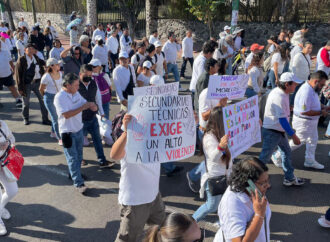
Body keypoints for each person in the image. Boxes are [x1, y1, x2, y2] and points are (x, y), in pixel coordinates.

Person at [110, 114, 166, 242]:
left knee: (162, 230)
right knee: (128, 239)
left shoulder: (155, 138)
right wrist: (126, 132)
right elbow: (114, 154)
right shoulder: (130, 142)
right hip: (135, 203)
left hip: (154, 196)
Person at [273, 71, 329, 170]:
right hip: (304, 122)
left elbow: (315, 102)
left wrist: (324, 107)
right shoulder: (306, 91)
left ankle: (309, 160)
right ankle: (277, 155)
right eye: (321, 84)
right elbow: (305, 111)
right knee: (298, 141)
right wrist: (321, 112)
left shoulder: (312, 88)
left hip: (311, 121)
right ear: (316, 81)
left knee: (313, 140)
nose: (323, 87)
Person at [54, 73, 97, 194]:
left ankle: (74, 173)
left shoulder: (75, 93)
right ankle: (78, 183)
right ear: (68, 85)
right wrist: (83, 107)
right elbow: (66, 115)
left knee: (78, 156)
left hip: (79, 130)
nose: (78, 87)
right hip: (68, 133)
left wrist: (91, 105)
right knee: (73, 158)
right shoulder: (59, 97)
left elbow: (84, 102)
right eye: (76, 85)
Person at [259, 72, 305, 186]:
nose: (296, 86)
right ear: (287, 84)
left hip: (277, 130)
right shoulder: (279, 96)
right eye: (294, 84)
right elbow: (282, 120)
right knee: (264, 158)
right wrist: (293, 136)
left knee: (286, 152)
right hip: (272, 131)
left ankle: (289, 178)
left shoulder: (281, 92)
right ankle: (253, 182)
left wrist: (288, 109)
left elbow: (281, 115)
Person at [214, 157, 271, 242]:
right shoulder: (231, 204)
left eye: (267, 180)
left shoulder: (255, 192)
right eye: (263, 183)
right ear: (248, 183)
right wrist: (259, 215)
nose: (268, 186)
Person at [192, 106, 232, 222]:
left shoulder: (221, 132)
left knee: (225, 202)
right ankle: (192, 221)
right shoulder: (209, 137)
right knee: (211, 206)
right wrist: (221, 147)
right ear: (219, 121)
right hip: (215, 177)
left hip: (225, 175)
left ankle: (223, 222)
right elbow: (214, 157)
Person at [78, 64, 114, 168]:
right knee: (79, 141)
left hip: (92, 117)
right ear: (80, 74)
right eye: (86, 75)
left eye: (90, 75)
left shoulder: (93, 83)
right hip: (79, 119)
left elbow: (98, 98)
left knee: (97, 139)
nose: (88, 78)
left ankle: (102, 161)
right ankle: (79, 159)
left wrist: (101, 112)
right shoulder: (75, 85)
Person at [15, 43, 50, 125]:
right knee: (26, 103)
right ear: (25, 50)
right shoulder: (22, 60)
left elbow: (44, 63)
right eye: (29, 48)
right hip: (26, 84)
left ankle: (45, 119)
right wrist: (19, 88)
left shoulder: (36, 58)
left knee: (43, 101)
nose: (31, 50)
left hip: (37, 83)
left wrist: (48, 65)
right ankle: (25, 118)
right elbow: (18, 75)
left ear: (35, 51)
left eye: (33, 49)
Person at [0, 120, 19, 236]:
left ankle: (0, 208)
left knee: (13, 191)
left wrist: (8, 143)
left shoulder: (2, 124)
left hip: (4, 162)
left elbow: (12, 138)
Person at [39, 58, 63, 145]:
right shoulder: (46, 76)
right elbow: (41, 89)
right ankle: (59, 137)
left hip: (59, 98)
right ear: (52, 66)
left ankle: (53, 132)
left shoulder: (60, 73)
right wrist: (45, 97)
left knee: (57, 117)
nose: (59, 66)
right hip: (49, 98)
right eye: (57, 64)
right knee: (55, 118)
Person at [0, 34, 22, 108]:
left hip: (7, 74)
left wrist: (14, 70)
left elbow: (11, 63)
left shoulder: (5, 52)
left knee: (12, 87)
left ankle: (18, 100)